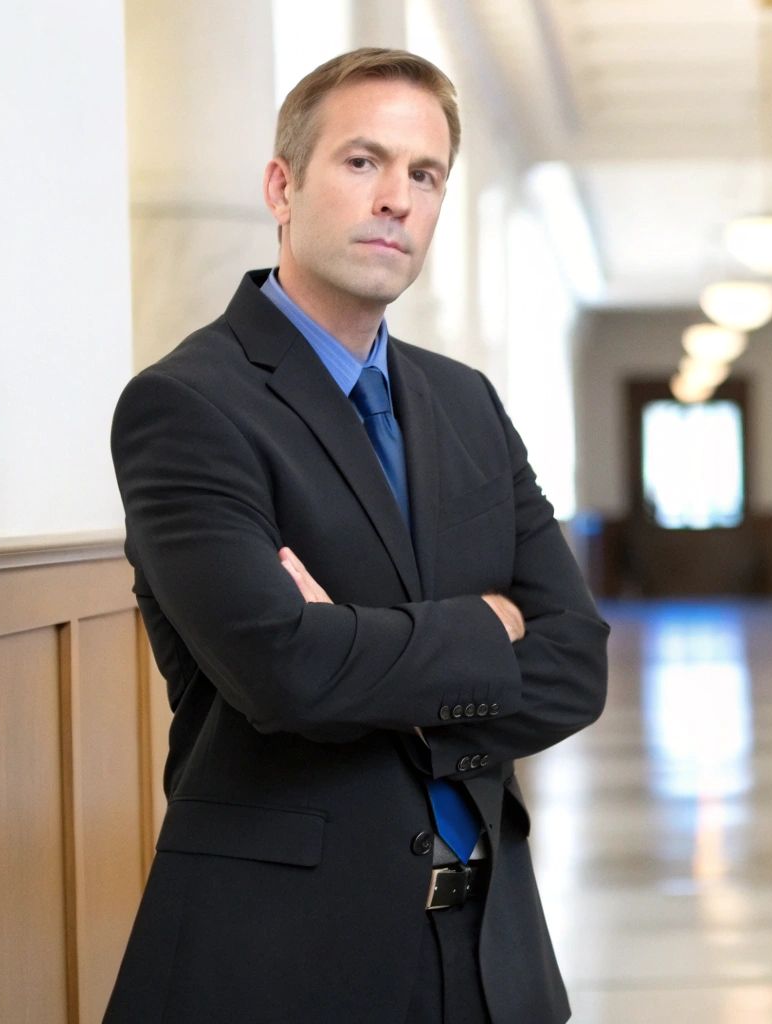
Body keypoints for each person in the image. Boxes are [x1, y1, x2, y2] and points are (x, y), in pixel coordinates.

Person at [104, 47, 608, 1023]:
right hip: (280, 957)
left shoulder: (465, 404)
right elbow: (284, 670)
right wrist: (484, 626)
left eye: (424, 175)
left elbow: (575, 662)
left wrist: (364, 650)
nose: (396, 199)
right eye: (362, 162)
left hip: (491, 954)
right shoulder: (186, 405)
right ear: (280, 185)